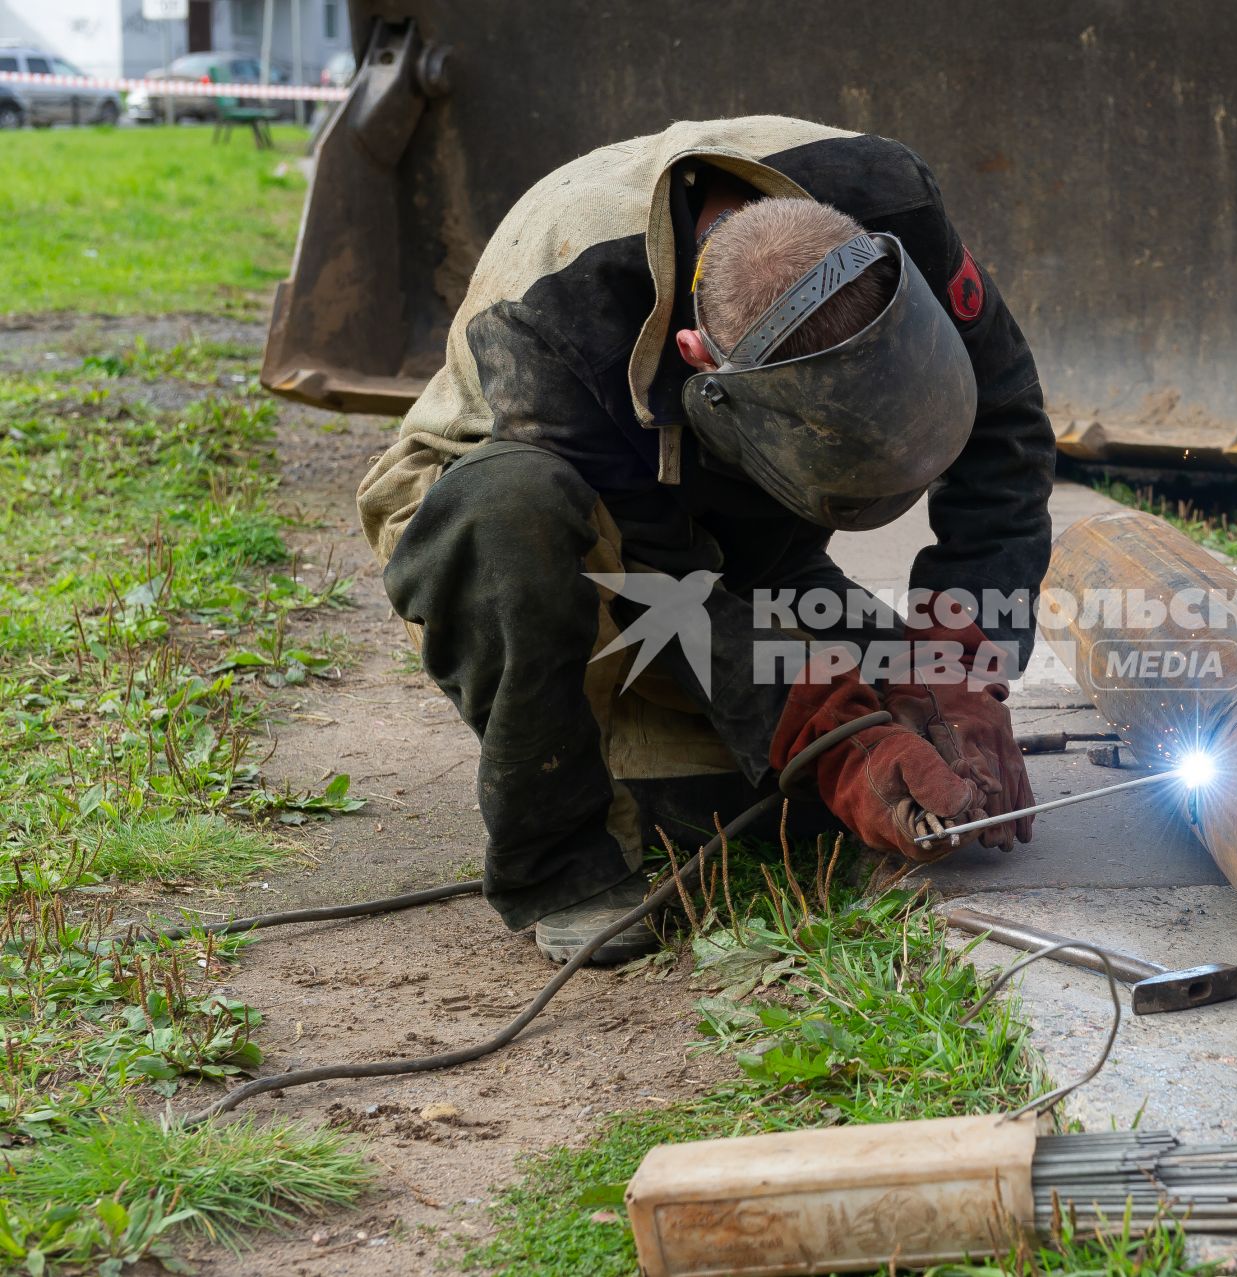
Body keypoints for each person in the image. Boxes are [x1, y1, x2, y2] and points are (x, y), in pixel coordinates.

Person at [356, 117, 1053, 964]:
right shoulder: (555, 322)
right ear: (697, 356)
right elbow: (667, 590)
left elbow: (1005, 419)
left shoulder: (895, 202)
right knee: (727, 782)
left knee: (893, 745)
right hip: (572, 545)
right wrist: (829, 734)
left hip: (748, 543)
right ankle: (560, 862)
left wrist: (958, 659)